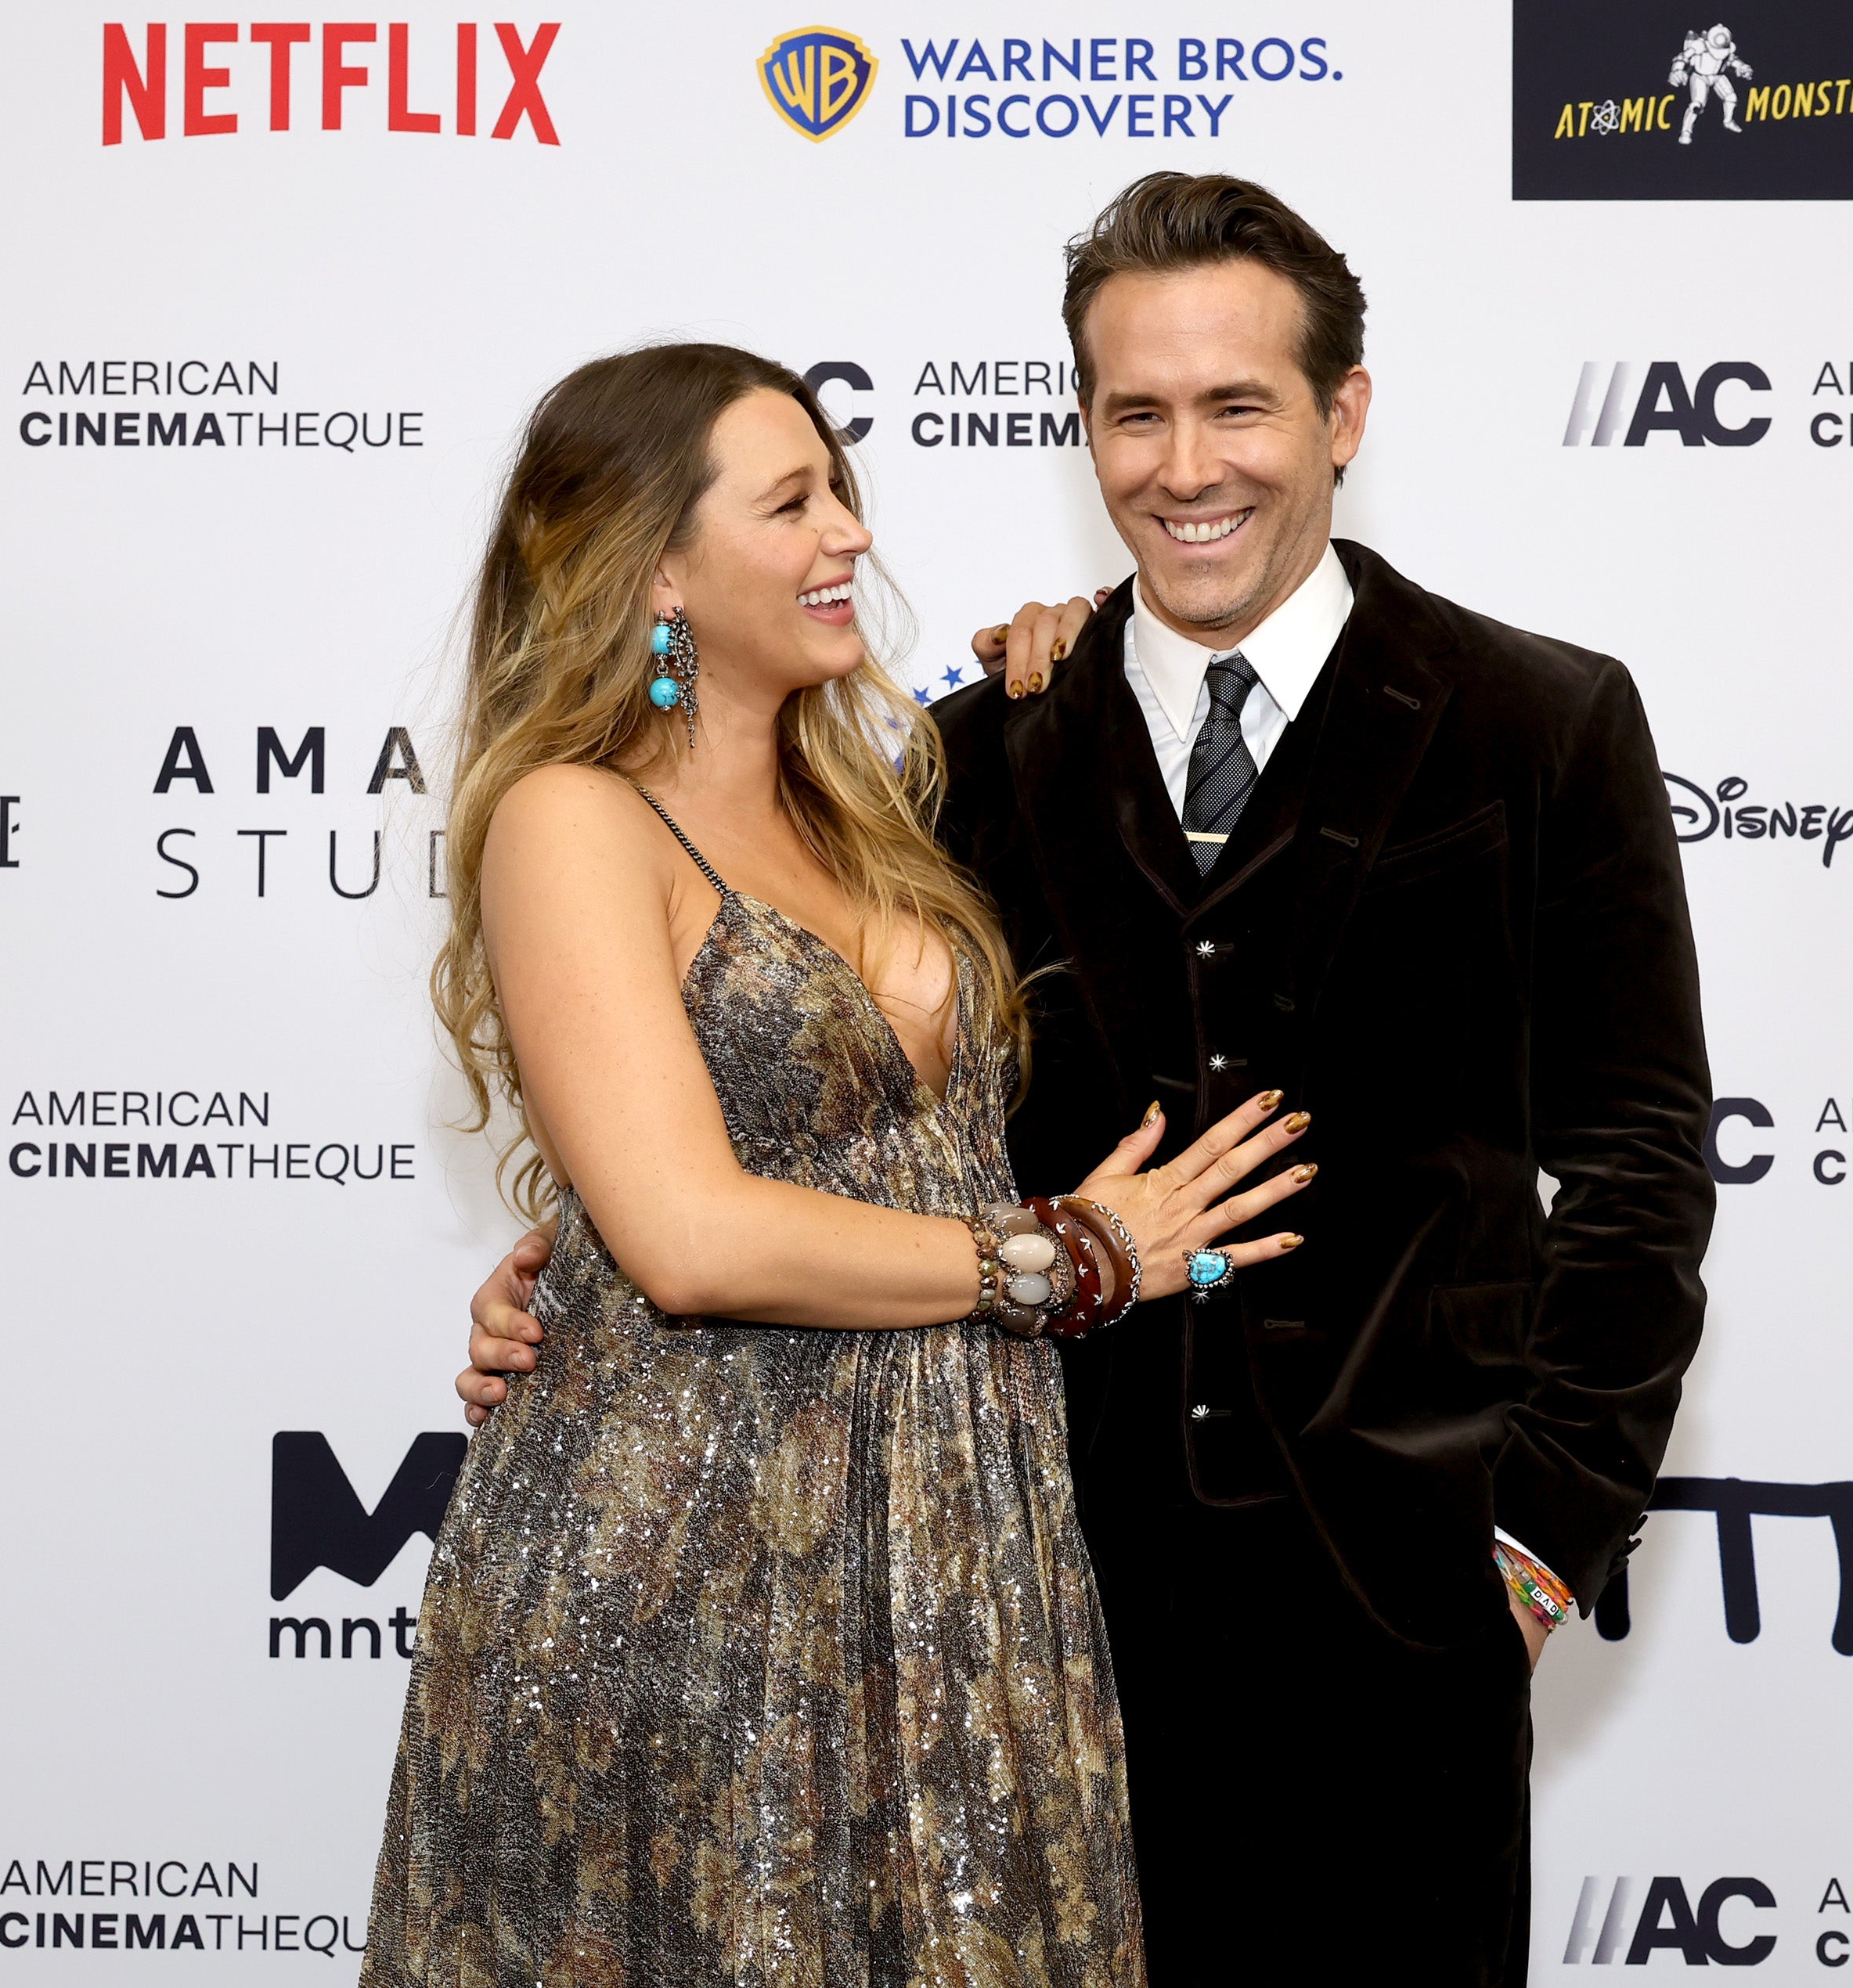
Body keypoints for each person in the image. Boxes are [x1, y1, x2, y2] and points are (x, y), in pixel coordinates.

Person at [460, 177, 1714, 1985]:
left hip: (1401, 1642)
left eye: (1238, 407)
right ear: (1084, 429)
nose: (1185, 464)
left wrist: (1527, 1550)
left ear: (1341, 416)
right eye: (1136, 412)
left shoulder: (1544, 721)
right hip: (1011, 1633)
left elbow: (1642, 1167)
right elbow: (776, 1106)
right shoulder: (959, 759)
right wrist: (571, 1277)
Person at [372, 340, 1316, 1986]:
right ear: (655, 562)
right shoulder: (573, 818)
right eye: (793, 501)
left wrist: (1092, 654)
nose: (850, 538)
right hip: (684, 1567)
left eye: (846, 492)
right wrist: (1065, 1255)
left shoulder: (886, 801)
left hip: (958, 1550)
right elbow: (684, 1235)